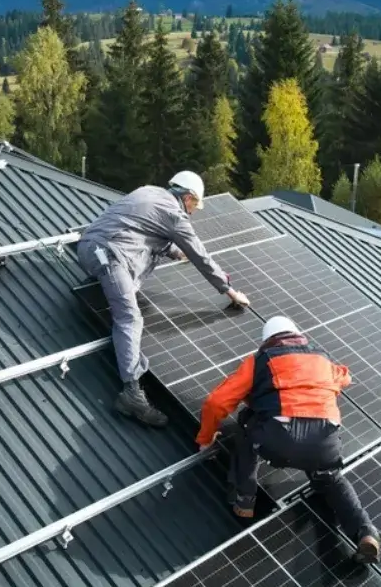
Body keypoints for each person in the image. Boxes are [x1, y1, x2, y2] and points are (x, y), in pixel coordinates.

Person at [196, 315, 381, 564]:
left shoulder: (259, 361)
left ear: (268, 341)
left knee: (245, 427)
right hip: (324, 444)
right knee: (332, 480)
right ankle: (365, 533)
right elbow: (345, 377)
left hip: (280, 440)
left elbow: (216, 402)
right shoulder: (323, 359)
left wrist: (206, 437)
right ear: (297, 335)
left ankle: (245, 500)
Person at [77, 171, 251, 427]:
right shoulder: (174, 214)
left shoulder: (149, 191)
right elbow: (201, 256)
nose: (193, 212)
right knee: (129, 317)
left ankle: (132, 384)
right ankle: (132, 394)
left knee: (128, 300)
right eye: (194, 205)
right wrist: (230, 291)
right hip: (107, 253)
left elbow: (140, 227)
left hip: (95, 248)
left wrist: (173, 251)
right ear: (188, 197)